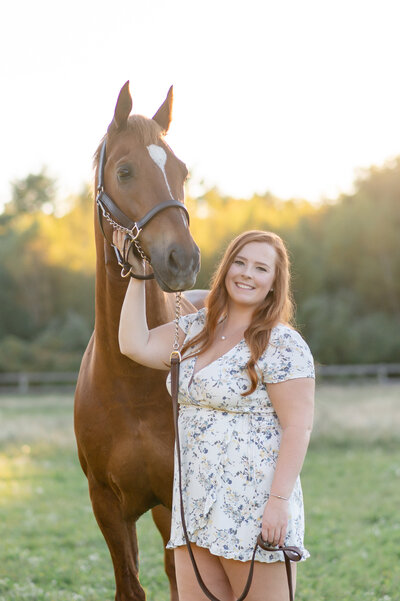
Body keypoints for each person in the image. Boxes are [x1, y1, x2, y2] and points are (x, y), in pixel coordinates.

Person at [115, 229, 315, 601]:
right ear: (225, 269)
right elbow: (133, 343)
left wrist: (278, 504)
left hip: (253, 506)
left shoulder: (283, 343)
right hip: (194, 505)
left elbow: (298, 427)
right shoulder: (195, 328)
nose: (246, 273)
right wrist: (140, 274)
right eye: (239, 262)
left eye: (260, 268)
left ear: (274, 283)